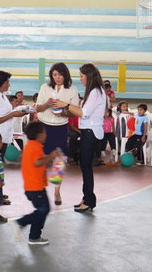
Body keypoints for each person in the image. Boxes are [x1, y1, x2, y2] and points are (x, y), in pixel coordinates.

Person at [53, 63, 107, 213]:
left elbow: (84, 113)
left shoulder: (96, 92)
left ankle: (89, 200)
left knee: (86, 166)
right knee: (84, 166)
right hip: (87, 131)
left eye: (82, 76)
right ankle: (86, 198)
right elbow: (79, 111)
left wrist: (65, 104)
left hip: (91, 132)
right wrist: (65, 112)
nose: (80, 79)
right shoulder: (93, 92)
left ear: (89, 76)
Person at [36, 62, 79, 206]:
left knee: (60, 160)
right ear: (51, 75)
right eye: (55, 74)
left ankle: (57, 190)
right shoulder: (45, 87)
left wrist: (64, 112)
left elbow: (74, 111)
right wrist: (47, 104)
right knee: (42, 158)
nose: (57, 77)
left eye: (60, 74)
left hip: (61, 127)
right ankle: (40, 189)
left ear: (65, 75)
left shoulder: (72, 90)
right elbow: (38, 108)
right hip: (44, 127)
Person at [14, 121, 59, 245]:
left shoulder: (32, 146)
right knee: (43, 209)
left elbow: (42, 162)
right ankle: (20, 223)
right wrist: (50, 156)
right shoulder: (34, 147)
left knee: (42, 210)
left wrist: (51, 160)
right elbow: (37, 162)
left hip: (34, 186)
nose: (46, 135)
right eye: (44, 133)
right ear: (39, 135)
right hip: (35, 187)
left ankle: (34, 237)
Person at [0, 71, 26, 162]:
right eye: (7, 82)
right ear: (2, 83)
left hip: (4, 135)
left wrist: (20, 113)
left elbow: (7, 113)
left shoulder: (2, 96)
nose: (9, 85)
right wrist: (12, 114)